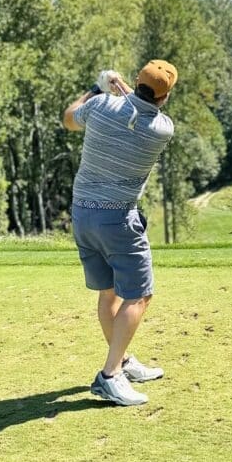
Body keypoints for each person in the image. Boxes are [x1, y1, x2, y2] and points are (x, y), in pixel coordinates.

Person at [63, 60, 178, 407]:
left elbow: (69, 118)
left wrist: (99, 87)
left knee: (109, 294)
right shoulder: (162, 128)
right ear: (166, 96)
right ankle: (110, 375)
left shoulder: (98, 106)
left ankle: (123, 361)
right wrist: (121, 87)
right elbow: (138, 108)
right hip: (117, 220)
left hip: (82, 214)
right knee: (140, 296)